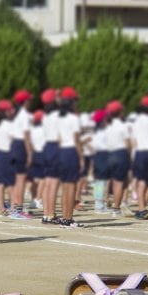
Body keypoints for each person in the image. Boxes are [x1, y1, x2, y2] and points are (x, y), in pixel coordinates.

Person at [57, 87, 84, 228]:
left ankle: (64, 217)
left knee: (65, 187)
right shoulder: (74, 118)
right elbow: (76, 139)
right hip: (71, 152)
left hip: (61, 152)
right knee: (72, 187)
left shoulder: (59, 118)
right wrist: (81, 158)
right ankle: (69, 218)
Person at [105, 100, 131, 217]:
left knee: (114, 182)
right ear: (120, 112)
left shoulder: (108, 127)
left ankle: (111, 204)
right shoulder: (123, 126)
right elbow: (127, 144)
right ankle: (116, 209)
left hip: (110, 154)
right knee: (120, 183)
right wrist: (130, 157)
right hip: (120, 154)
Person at [10, 89, 34, 218]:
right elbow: (26, 135)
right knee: (21, 179)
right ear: (25, 101)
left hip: (14, 145)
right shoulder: (24, 114)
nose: (31, 101)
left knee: (16, 180)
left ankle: (15, 207)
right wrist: (30, 152)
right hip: (20, 146)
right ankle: (18, 210)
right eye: (29, 99)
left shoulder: (16, 114)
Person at [40, 89, 61, 225]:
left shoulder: (46, 116)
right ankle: (51, 214)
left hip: (47, 147)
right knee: (53, 183)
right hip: (55, 146)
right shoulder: (58, 115)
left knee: (48, 183)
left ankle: (46, 214)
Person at [0, 100, 16, 217]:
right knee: (11, 183)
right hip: (7, 154)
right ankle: (13, 208)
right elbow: (15, 137)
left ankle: (2, 207)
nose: (11, 111)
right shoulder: (8, 124)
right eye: (9, 110)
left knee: (1, 182)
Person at [91, 109, 110, 214]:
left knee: (98, 181)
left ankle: (98, 204)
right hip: (103, 154)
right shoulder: (104, 131)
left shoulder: (96, 131)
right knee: (102, 181)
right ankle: (99, 205)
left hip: (98, 155)